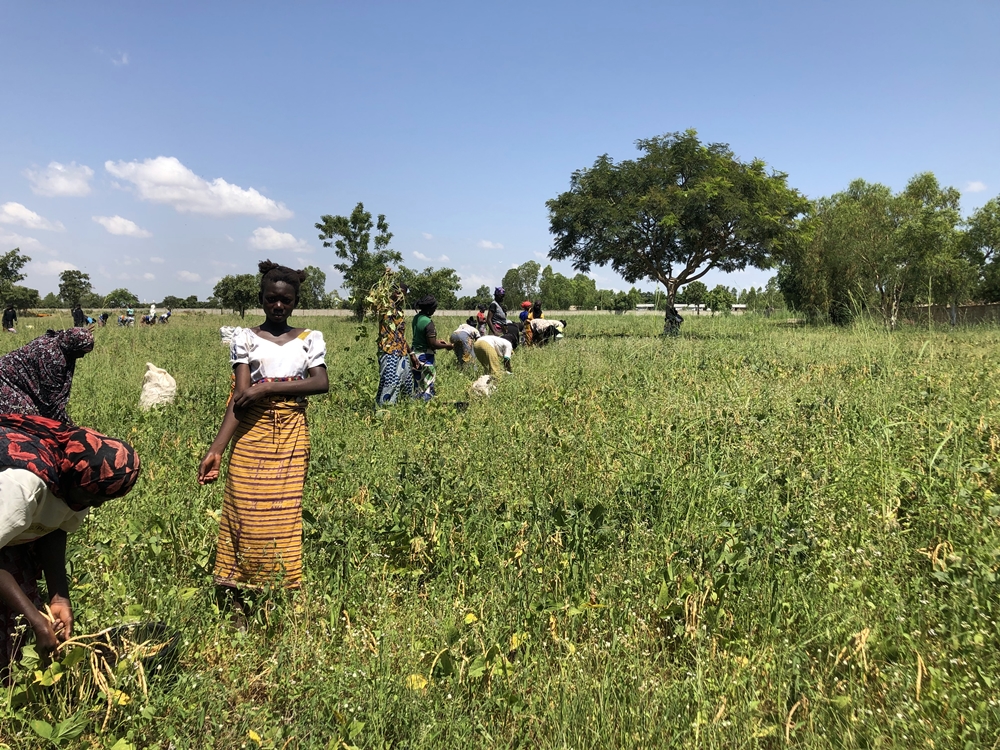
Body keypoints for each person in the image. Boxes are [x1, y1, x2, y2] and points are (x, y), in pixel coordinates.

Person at [198, 261, 328, 597]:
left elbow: (321, 382)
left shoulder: (309, 339)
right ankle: (236, 587)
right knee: (243, 508)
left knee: (282, 514)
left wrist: (268, 388)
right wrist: (216, 450)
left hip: (291, 435)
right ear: (262, 298)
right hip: (251, 433)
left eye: (286, 300)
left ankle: (280, 586)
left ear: (296, 301)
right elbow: (240, 398)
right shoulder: (245, 339)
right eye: (272, 299)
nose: (279, 306)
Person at [0, 414, 140, 672]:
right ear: (71, 477)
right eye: (91, 497)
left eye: (102, 500)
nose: (96, 504)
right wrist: (35, 621)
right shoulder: (23, 486)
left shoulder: (82, 487)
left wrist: (59, 597)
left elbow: (55, 528)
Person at [0, 328, 94, 425]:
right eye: (81, 352)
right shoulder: (53, 359)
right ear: (73, 346)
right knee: (25, 421)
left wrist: (82, 334)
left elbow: (72, 335)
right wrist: (72, 429)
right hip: (5, 378)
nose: (82, 356)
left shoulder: (59, 339)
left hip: (17, 378)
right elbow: (52, 403)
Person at [373, 282, 414, 406]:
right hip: (389, 351)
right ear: (391, 292)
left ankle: (404, 408)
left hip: (401, 351)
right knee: (390, 383)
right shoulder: (386, 306)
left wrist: (411, 353)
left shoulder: (400, 311)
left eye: (404, 294)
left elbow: (401, 335)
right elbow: (375, 301)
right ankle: (384, 411)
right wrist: (386, 279)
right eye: (398, 293)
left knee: (407, 382)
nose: (401, 296)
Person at [410, 296, 453, 400]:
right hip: (425, 357)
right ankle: (426, 406)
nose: (434, 311)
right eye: (434, 308)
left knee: (418, 383)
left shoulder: (417, 318)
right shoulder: (428, 323)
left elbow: (422, 339)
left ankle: (416, 405)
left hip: (415, 354)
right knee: (428, 384)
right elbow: (432, 344)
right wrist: (448, 346)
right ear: (429, 308)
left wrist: (438, 341)